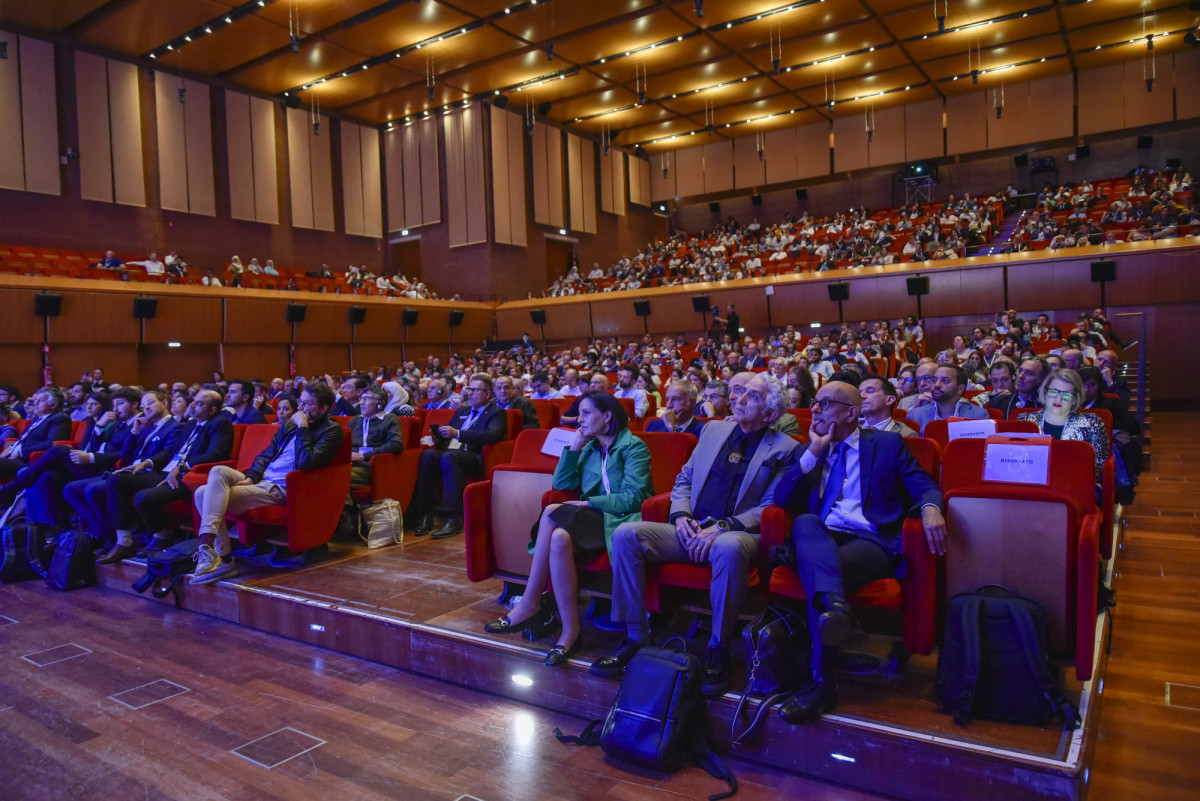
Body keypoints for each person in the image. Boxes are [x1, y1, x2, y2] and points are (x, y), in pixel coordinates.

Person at [589, 374, 798, 696]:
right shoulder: (713, 430)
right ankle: (635, 634)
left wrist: (724, 527)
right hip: (690, 529)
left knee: (728, 547)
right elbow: (684, 480)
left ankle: (718, 646)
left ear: (770, 414)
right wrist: (681, 516)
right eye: (740, 393)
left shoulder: (785, 448)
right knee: (627, 534)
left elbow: (771, 507)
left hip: (738, 535)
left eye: (752, 397)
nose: (739, 399)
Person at [772, 369, 945, 723]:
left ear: (852, 413)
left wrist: (930, 508)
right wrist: (814, 454)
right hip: (820, 536)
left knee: (817, 573)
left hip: (870, 540)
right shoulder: (810, 450)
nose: (815, 411)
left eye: (825, 404)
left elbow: (923, 486)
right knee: (806, 522)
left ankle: (822, 680)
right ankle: (835, 611)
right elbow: (782, 498)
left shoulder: (886, 444)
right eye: (815, 404)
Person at [485, 392, 653, 666]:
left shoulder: (634, 447)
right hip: (593, 519)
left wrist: (588, 502)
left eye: (586, 413)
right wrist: (575, 445)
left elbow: (634, 498)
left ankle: (530, 601)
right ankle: (570, 633)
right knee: (560, 537)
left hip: (622, 522)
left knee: (552, 511)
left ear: (607, 416)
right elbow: (561, 484)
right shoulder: (589, 447)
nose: (579, 419)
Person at [191, 384, 344, 583]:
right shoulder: (289, 425)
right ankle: (213, 552)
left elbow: (307, 463)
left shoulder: (331, 430)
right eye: (301, 402)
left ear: (323, 408)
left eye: (308, 404)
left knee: (203, 494)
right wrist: (251, 478)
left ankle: (220, 556)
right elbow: (265, 455)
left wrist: (303, 428)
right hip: (262, 481)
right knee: (217, 471)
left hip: (282, 488)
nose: (302, 408)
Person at [104, 390, 236, 561]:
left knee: (143, 498)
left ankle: (162, 536)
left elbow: (215, 454)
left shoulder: (220, 424)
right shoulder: (189, 425)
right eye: (194, 401)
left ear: (212, 410)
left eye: (200, 403)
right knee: (116, 480)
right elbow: (171, 452)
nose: (193, 405)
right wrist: (147, 463)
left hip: (189, 477)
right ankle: (123, 541)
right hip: (167, 472)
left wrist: (181, 468)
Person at [408, 374, 508, 540]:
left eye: (475, 390)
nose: (470, 393)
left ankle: (454, 517)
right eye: (469, 389)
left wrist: (458, 433)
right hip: (453, 451)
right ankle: (424, 513)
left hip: (474, 456)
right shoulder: (463, 410)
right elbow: (451, 433)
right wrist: (439, 436)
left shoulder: (497, 413)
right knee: (428, 455)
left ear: (487, 394)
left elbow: (490, 436)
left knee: (450, 458)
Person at [1017, 369, 1109, 484]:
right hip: (1031, 482)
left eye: (1066, 395)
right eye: (1053, 392)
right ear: (1044, 392)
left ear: (1075, 399)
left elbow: (1098, 466)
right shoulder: (1025, 420)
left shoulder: (1091, 423)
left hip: (1075, 483)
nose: (1058, 399)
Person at [0, 388, 72, 482]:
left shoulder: (60, 418)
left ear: (53, 405)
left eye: (41, 400)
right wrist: (10, 449)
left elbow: (51, 444)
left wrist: (20, 452)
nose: (35, 403)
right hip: (14, 457)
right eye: (35, 400)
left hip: (30, 461)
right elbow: (22, 440)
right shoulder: (38, 418)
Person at [348, 385, 405, 491]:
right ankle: (347, 506)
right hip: (350, 463)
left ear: (380, 403)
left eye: (366, 398)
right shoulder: (355, 420)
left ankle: (346, 507)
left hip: (371, 466)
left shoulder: (389, 419)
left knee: (340, 476)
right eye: (361, 398)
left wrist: (364, 456)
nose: (361, 403)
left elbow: (396, 444)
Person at [905, 365, 989, 435]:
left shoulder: (978, 416)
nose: (937, 385)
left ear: (960, 388)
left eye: (945, 381)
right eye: (935, 380)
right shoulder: (915, 416)